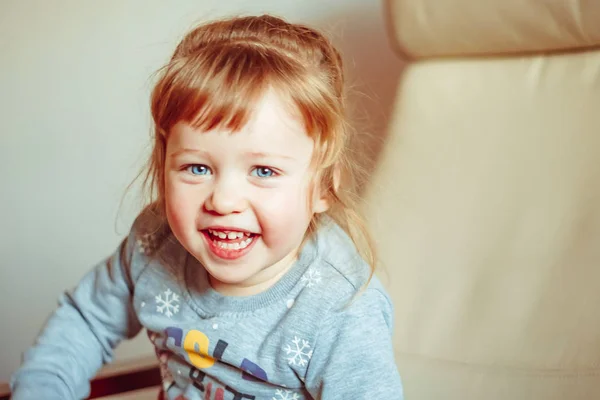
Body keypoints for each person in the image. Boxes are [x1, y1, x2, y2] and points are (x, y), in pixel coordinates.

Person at [10, 14, 403, 399]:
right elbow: (85, 322)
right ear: (163, 168)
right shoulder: (153, 243)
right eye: (197, 167)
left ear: (323, 189)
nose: (223, 200)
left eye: (263, 171)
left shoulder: (339, 308)